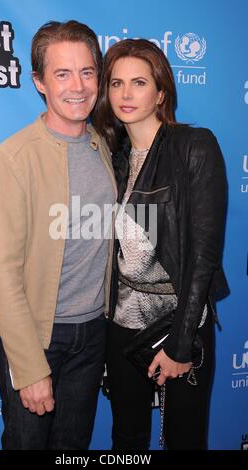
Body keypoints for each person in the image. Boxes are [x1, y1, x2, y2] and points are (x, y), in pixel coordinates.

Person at [0, 20, 117, 450]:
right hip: (37, 336)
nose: (78, 86)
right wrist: (29, 366)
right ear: (39, 81)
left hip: (93, 334)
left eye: (87, 72)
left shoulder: (104, 145)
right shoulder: (12, 159)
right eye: (62, 73)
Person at [94, 38, 228, 450]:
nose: (126, 94)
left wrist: (182, 342)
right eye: (116, 83)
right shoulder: (110, 154)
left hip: (179, 322)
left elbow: (203, 256)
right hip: (121, 324)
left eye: (139, 82)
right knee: (127, 437)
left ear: (161, 93)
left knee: (183, 439)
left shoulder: (194, 146)